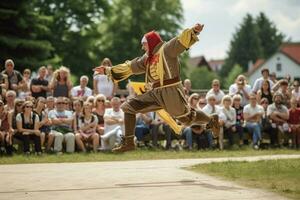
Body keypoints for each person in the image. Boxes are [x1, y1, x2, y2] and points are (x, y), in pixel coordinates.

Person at [104, 23, 219, 152]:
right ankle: (129, 142)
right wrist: (108, 71)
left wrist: (194, 31)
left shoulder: (166, 49)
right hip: (155, 93)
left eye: (144, 44)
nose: (142, 47)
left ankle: (211, 119)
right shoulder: (147, 58)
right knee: (128, 107)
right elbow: (131, 66)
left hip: (171, 91)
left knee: (187, 119)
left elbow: (180, 40)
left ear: (151, 42)